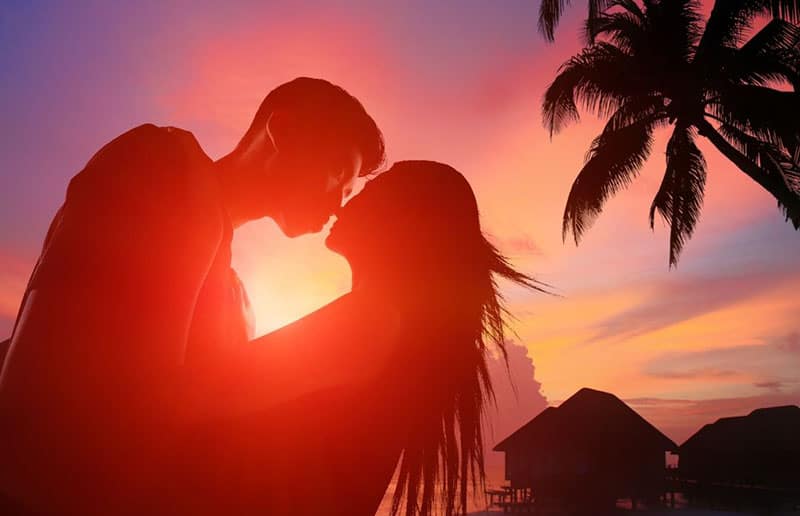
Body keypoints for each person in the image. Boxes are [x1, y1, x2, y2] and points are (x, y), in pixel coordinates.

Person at [0, 77, 385, 516]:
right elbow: (84, 381)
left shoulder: (237, 302)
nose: (338, 202)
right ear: (284, 131)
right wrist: (326, 349)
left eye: (349, 191)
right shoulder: (162, 162)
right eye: (337, 174)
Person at [169, 161, 545, 516]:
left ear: (401, 219)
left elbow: (191, 396)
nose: (345, 201)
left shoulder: (373, 319)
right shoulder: (385, 323)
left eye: (368, 188)